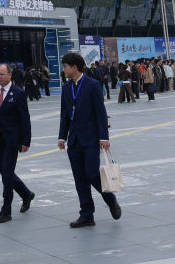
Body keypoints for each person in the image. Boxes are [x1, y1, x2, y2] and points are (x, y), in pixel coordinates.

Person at [57, 52, 120, 228]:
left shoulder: (92, 85)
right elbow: (65, 114)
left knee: (92, 174)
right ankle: (86, 215)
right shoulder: (66, 88)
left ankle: (110, 199)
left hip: (91, 138)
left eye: (65, 66)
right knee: (79, 179)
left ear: (74, 67)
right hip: (74, 141)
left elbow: (100, 112)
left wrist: (104, 137)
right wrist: (62, 136)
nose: (64, 70)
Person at [0, 64, 34, 224]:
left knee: (7, 173)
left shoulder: (18, 93)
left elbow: (25, 119)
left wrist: (26, 141)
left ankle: (6, 210)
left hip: (12, 139)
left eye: (2, 74)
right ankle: (26, 194)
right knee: (4, 171)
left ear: (10, 75)